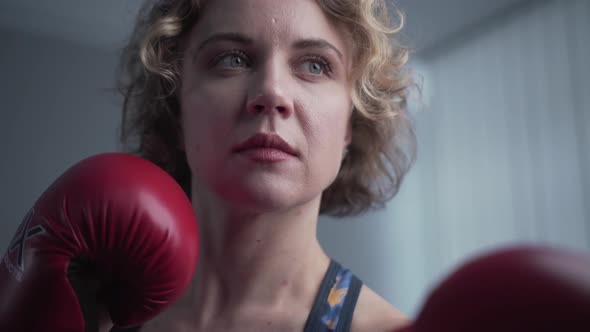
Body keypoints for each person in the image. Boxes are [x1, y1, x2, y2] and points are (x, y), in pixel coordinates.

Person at [116, 0, 417, 330]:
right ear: (176, 110)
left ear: (350, 123)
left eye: (315, 65)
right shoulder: (103, 315)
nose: (272, 92)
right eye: (232, 59)